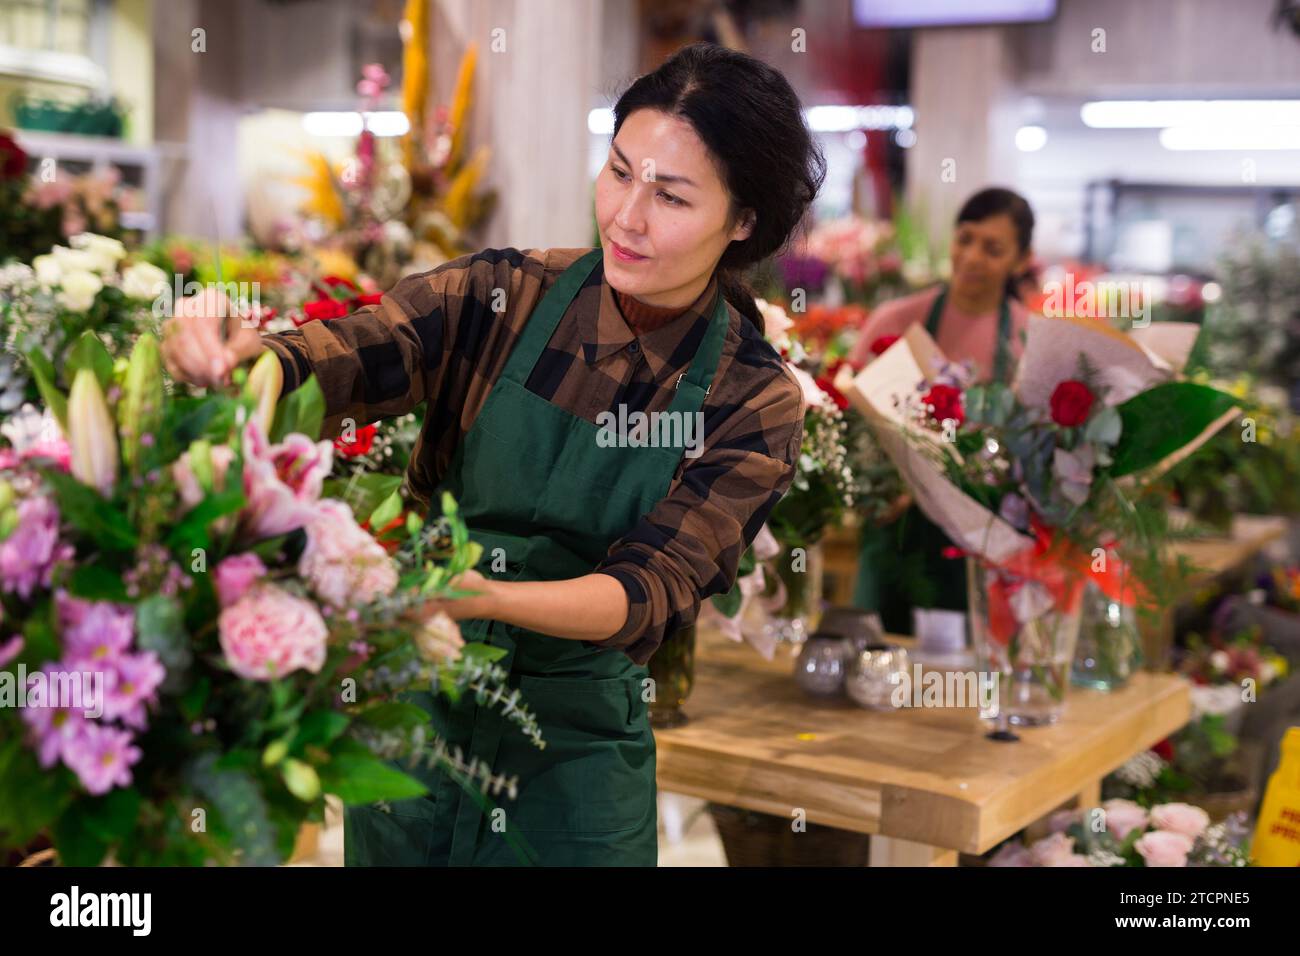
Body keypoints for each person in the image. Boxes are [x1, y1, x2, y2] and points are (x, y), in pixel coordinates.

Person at [160, 42, 824, 866]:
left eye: (672, 196)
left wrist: (485, 599)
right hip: (421, 725)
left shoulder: (750, 396)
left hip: (571, 768)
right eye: (619, 172)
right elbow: (357, 352)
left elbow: (649, 589)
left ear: (744, 221)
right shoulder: (503, 296)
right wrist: (238, 359)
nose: (626, 216)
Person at [847, 188, 1035, 636]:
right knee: (877, 658)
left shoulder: (1029, 340)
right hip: (896, 530)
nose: (971, 256)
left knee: (964, 679)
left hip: (981, 540)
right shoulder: (895, 320)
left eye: (993, 249)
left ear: (1022, 260)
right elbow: (848, 415)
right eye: (965, 238)